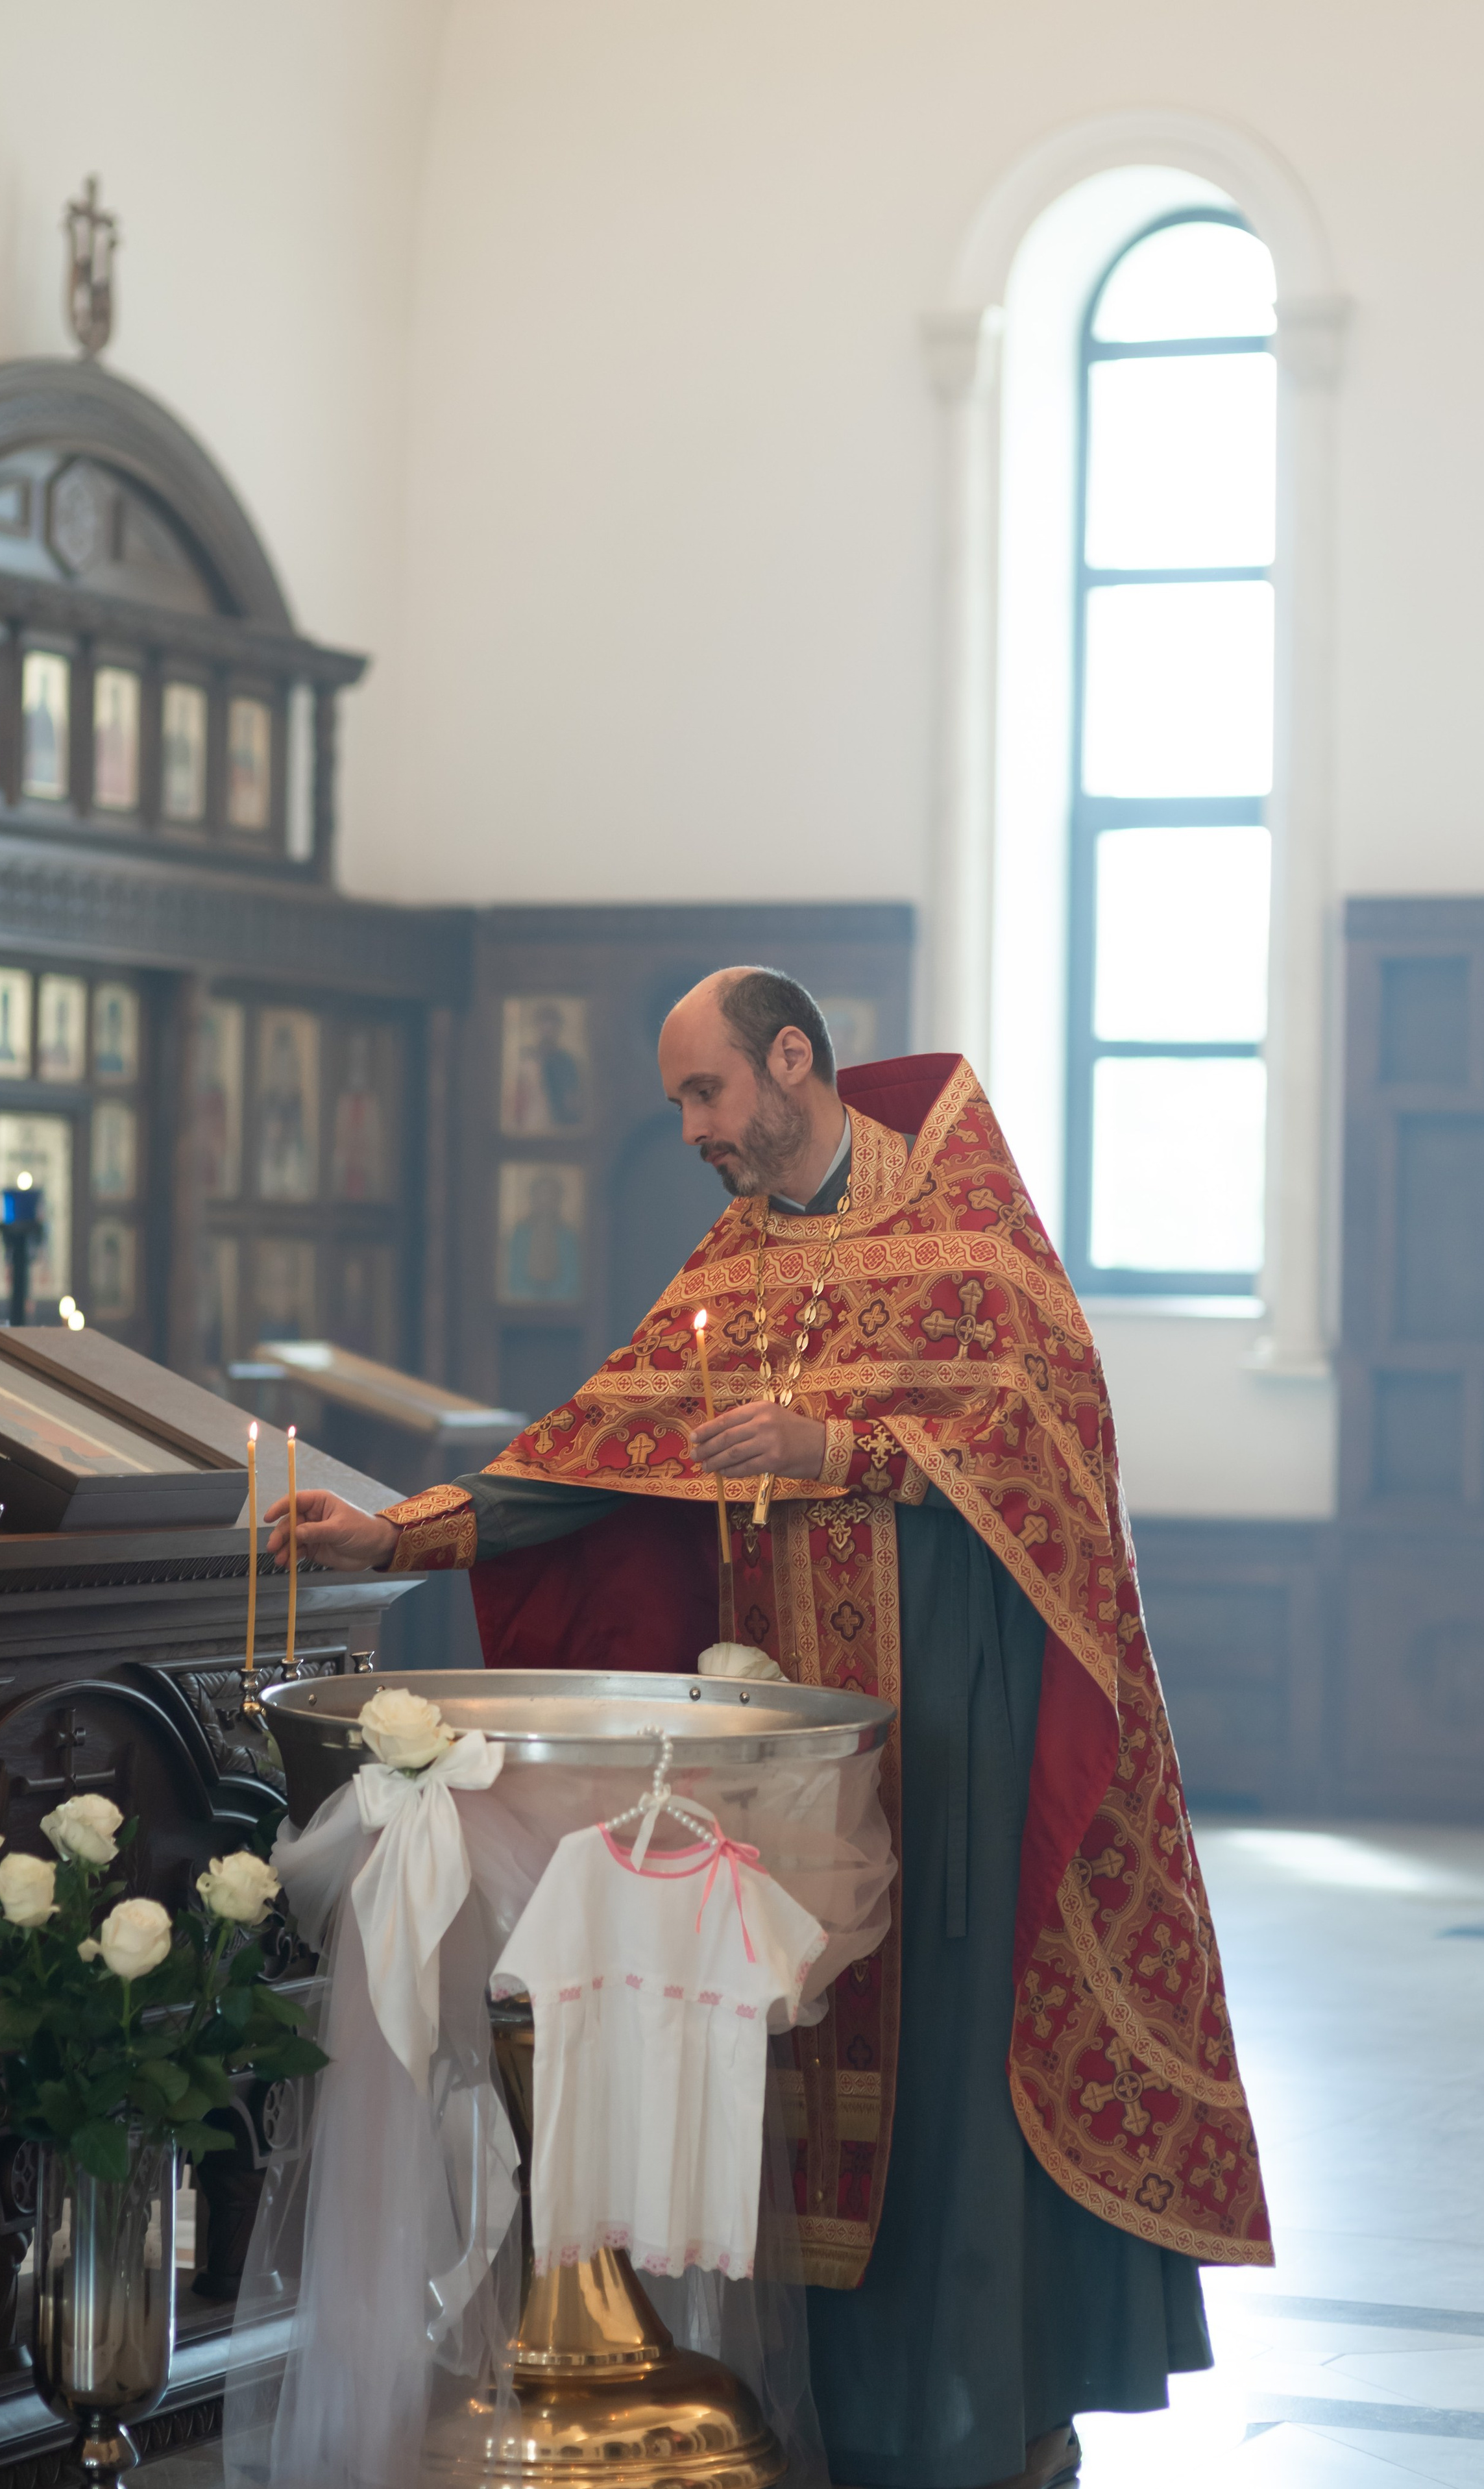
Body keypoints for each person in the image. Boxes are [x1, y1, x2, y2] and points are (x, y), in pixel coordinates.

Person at [268, 967, 1271, 2489]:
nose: (691, 1131)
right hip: (769, 1760)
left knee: (936, 2081)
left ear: (789, 1060)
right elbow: (593, 1451)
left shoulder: (962, 1228)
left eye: (705, 1094)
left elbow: (1046, 1444)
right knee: (781, 2073)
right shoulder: (733, 1262)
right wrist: (390, 1537)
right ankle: (823, 2415)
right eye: (681, 1102)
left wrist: (842, 1447)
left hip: (948, 1734)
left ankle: (966, 2423)